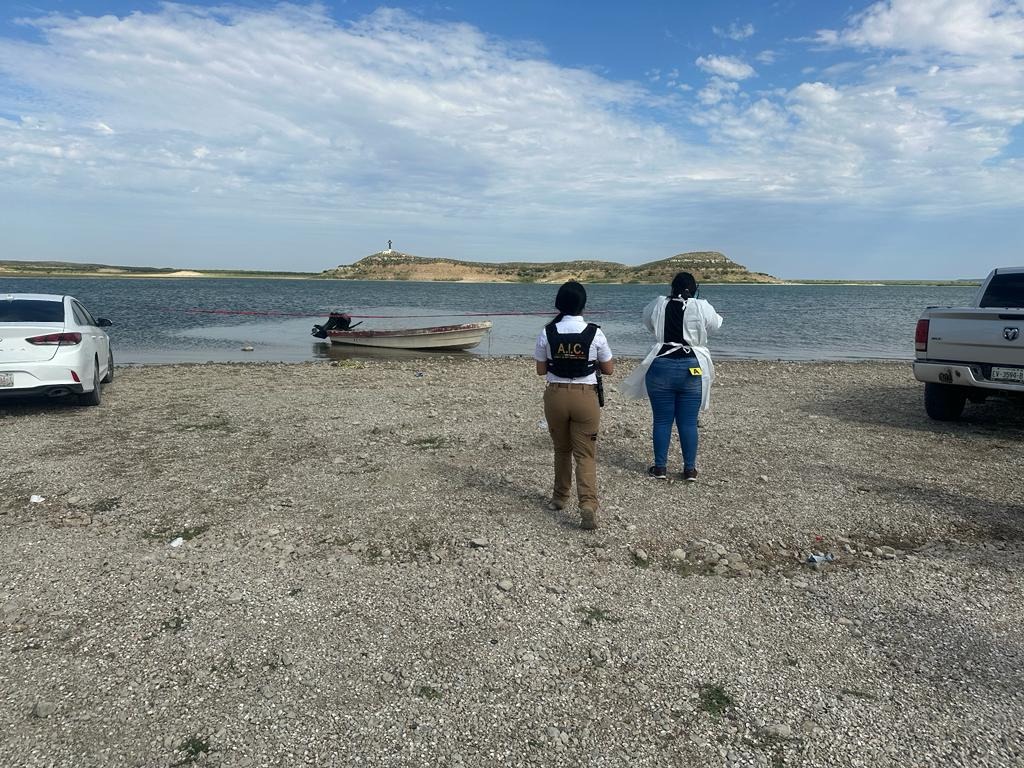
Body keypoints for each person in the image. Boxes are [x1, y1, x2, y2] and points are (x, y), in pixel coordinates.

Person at [620, 272, 723, 482]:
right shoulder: (702, 306)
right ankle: (690, 469)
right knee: (688, 422)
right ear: (694, 289)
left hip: (661, 364)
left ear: (671, 288)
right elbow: (715, 326)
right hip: (692, 365)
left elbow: (647, 322)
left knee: (662, 420)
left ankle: (660, 467)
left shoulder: (658, 304)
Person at [534, 281, 614, 530]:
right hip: (585, 396)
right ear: (583, 304)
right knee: (585, 454)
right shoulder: (595, 332)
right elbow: (609, 369)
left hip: (556, 396)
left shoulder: (547, 332)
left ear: (559, 303)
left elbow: (540, 370)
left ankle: (559, 497)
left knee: (561, 450)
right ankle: (588, 503)